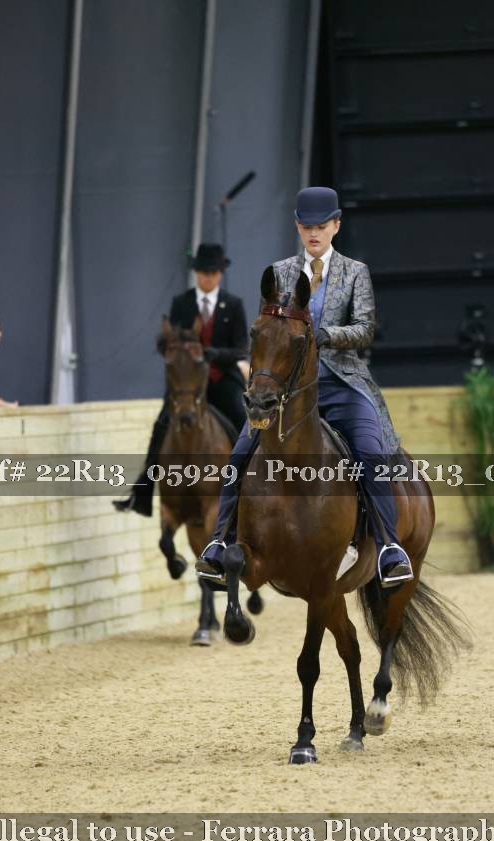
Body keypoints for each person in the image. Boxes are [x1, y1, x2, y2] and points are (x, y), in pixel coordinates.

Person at [196, 186, 413, 589]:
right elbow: (265, 332)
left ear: (336, 226)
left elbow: (365, 328)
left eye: (321, 226)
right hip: (286, 393)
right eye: (307, 226)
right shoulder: (278, 273)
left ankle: (389, 548)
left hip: (342, 384)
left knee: (371, 452)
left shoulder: (355, 272)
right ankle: (218, 542)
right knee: (240, 453)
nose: (314, 233)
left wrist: (325, 335)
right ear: (298, 227)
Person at [115, 243, 249, 516]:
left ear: (220, 274)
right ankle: (143, 490)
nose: (207, 277)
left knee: (241, 419)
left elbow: (241, 349)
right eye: (203, 272)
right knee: (161, 425)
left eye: (212, 273)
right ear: (196, 273)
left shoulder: (234, 305)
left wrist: (214, 354)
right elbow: (169, 342)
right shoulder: (181, 303)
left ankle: (250, 484)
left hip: (222, 379)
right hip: (187, 384)